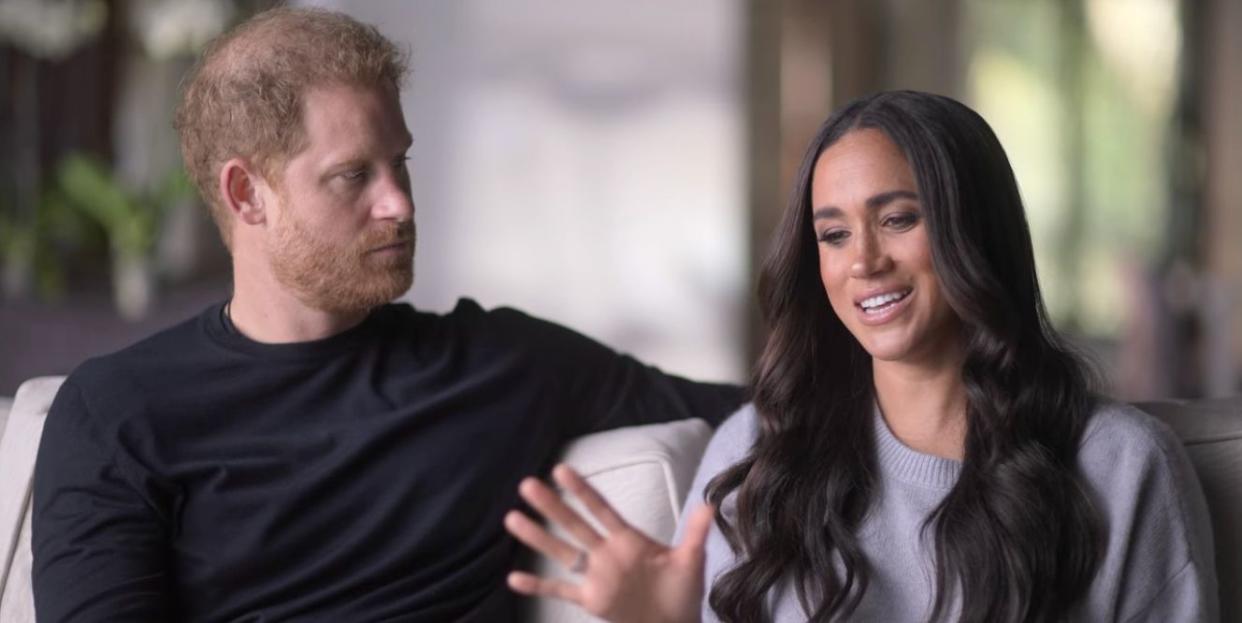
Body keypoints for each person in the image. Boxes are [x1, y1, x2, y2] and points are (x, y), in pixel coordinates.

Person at [30, 8, 742, 622]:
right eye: (353, 175)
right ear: (247, 194)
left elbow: (775, 418)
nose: (398, 203)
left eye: (399, 162)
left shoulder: (500, 364)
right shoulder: (117, 413)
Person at [506, 91, 1218, 622]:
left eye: (898, 219)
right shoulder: (756, 452)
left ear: (975, 231)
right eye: (834, 234)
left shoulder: (1121, 465)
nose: (864, 262)